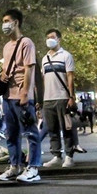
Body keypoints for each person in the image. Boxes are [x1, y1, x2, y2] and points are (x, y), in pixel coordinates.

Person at [0, 8, 41, 183]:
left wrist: (25, 93)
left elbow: (29, 68)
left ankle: (34, 168)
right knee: (11, 133)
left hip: (23, 95)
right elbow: (8, 68)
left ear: (16, 22)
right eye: (3, 21)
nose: (4, 24)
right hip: (8, 95)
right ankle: (15, 166)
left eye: (7, 20)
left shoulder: (27, 43)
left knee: (30, 132)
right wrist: (3, 76)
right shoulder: (7, 46)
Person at [39, 29, 78, 168]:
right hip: (48, 99)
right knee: (52, 129)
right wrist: (41, 99)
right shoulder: (44, 58)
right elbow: (43, 79)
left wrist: (71, 96)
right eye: (48, 37)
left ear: (59, 39)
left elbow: (70, 77)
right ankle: (56, 155)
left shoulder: (66, 56)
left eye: (53, 37)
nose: (50, 39)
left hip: (62, 97)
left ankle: (69, 156)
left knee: (66, 128)